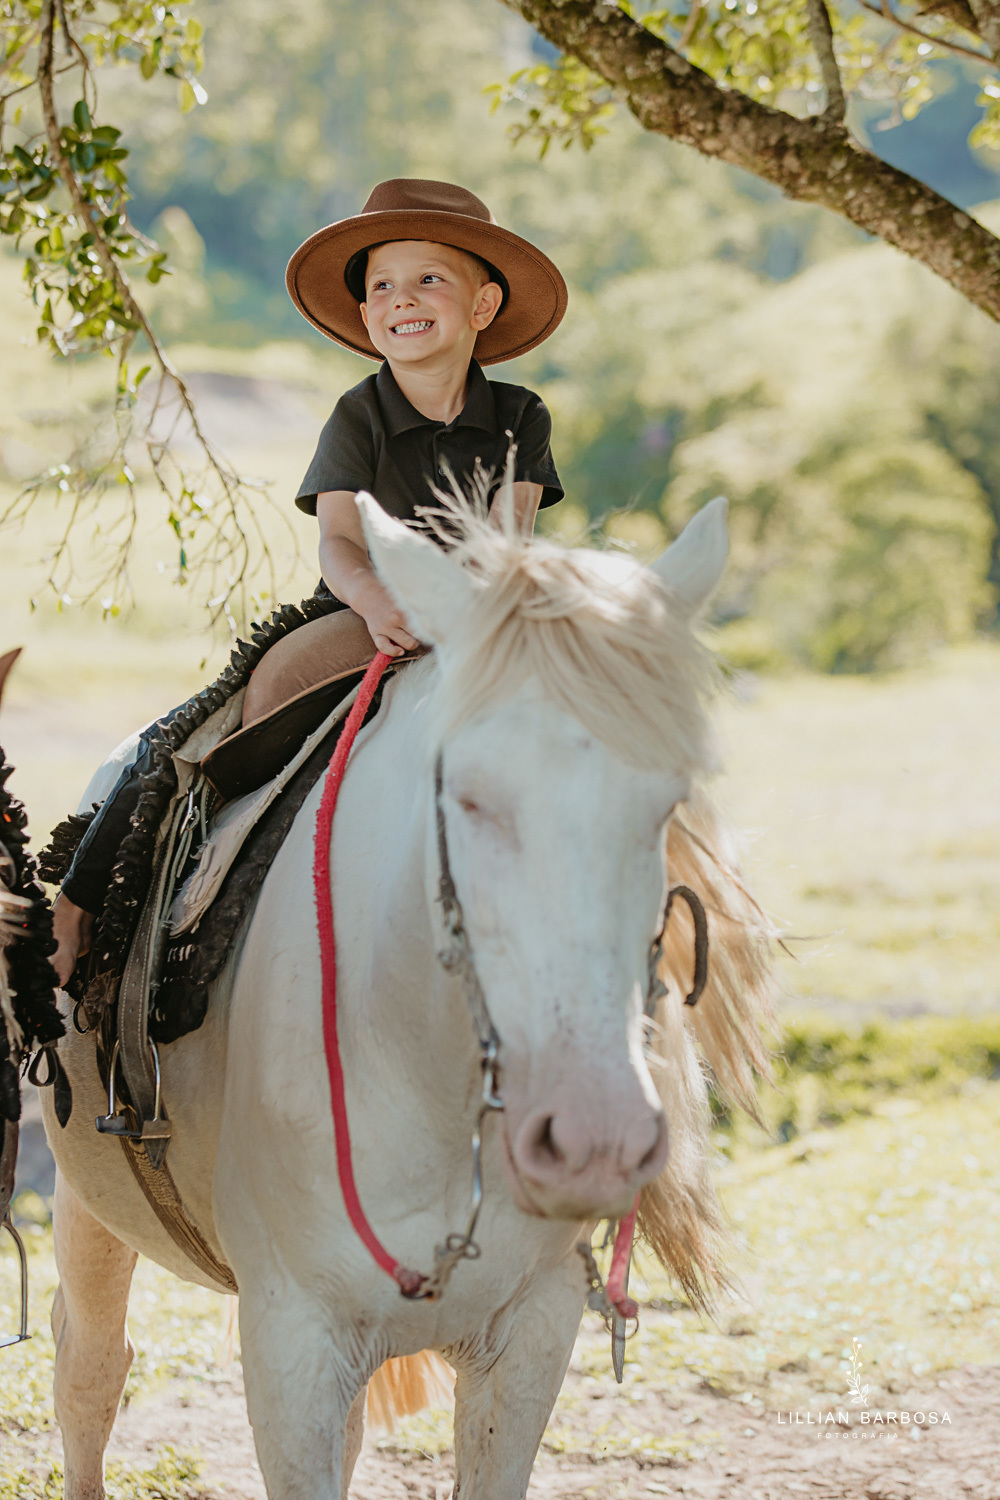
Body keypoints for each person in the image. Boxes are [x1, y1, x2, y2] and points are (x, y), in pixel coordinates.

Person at [50, 177, 567, 985]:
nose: (404, 299)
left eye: (430, 278)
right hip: (368, 606)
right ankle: (126, 898)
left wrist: (469, 611)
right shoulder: (358, 414)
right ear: (366, 318)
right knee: (207, 726)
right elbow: (338, 541)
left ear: (484, 304)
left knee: (598, 710)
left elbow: (510, 537)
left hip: (482, 609)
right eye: (383, 286)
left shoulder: (521, 414)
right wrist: (377, 601)